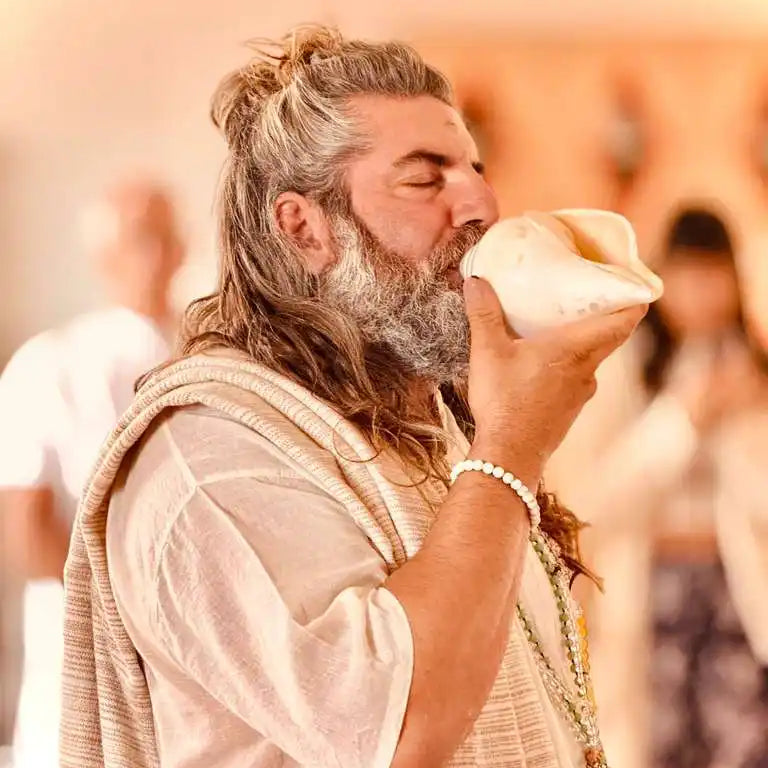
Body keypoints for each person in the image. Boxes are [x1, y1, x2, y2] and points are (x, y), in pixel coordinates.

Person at [60, 27, 646, 768]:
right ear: (306, 229)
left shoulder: (429, 422)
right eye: (424, 179)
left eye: (475, 169)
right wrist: (512, 446)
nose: (481, 203)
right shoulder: (207, 459)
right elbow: (396, 728)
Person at [546, 208, 768, 768]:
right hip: (655, 588)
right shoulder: (624, 369)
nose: (702, 295)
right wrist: (683, 418)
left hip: (737, 588)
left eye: (714, 276)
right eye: (687, 277)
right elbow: (592, 502)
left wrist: (743, 423)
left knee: (743, 739)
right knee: (658, 741)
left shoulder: (753, 368)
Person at [0, 179, 184, 768]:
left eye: (165, 236)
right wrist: (122, 613)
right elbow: (22, 525)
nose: (156, 255)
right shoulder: (49, 364)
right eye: (138, 239)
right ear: (103, 256)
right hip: (83, 645)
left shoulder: (211, 350)